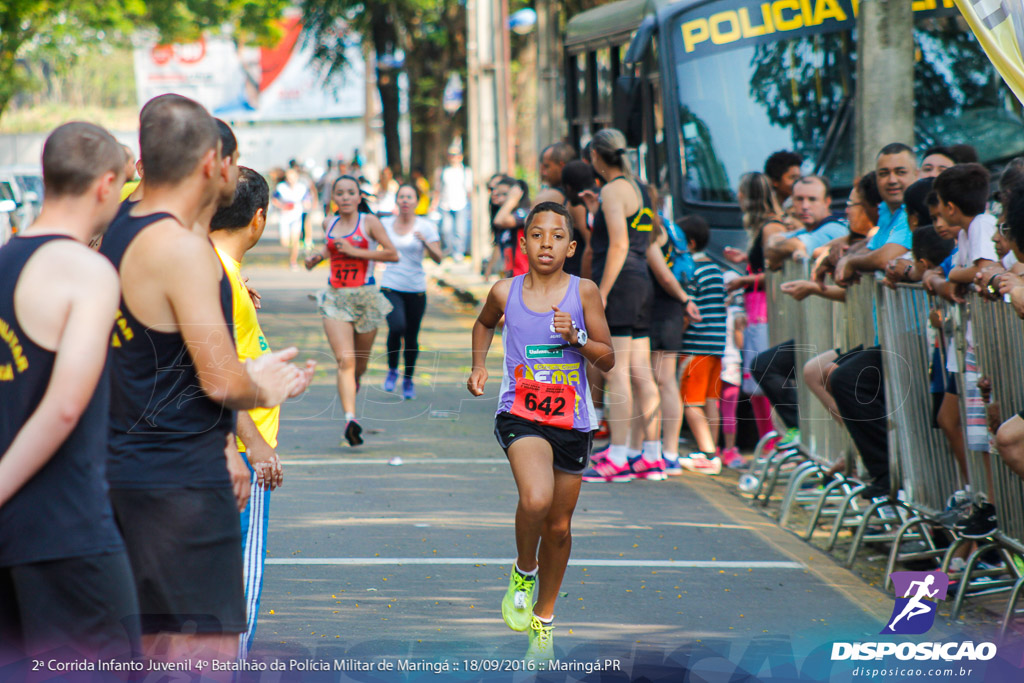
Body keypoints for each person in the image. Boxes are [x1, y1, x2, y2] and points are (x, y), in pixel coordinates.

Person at [99, 94, 312, 667]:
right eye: (232, 161)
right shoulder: (185, 251)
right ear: (209, 165)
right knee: (206, 652)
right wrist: (264, 386)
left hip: (130, 467)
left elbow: (170, 360)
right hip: (181, 483)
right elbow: (220, 381)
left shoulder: (121, 224)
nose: (234, 174)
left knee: (153, 645)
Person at [0, 122, 139, 667]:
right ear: (105, 184)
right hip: (65, 527)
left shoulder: (4, 259)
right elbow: (63, 407)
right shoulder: (87, 270)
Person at [467, 201, 613, 664]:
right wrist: (479, 366)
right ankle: (523, 573)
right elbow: (484, 324)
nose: (545, 242)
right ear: (523, 241)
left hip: (571, 420)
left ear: (570, 247)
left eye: (555, 236)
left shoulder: (584, 292)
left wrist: (578, 339)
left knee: (559, 526)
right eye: (536, 234)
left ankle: (543, 620)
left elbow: (607, 358)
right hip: (521, 413)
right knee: (535, 498)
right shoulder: (503, 291)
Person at [209, 166, 293, 658]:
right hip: (238, 451)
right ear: (258, 219)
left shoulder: (216, 271)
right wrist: (255, 446)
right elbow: (218, 374)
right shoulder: (220, 279)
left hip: (220, 449)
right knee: (239, 583)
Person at [578, 128, 660, 483]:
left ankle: (620, 455)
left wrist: (602, 292)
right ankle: (651, 455)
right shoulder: (637, 187)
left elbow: (618, 245)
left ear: (596, 156)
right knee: (640, 371)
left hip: (622, 285)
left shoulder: (612, 189)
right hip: (641, 282)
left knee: (616, 371)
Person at [933, 163, 1000, 538]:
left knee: (991, 432)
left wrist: (949, 277)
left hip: (988, 341)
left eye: (940, 207)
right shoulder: (967, 231)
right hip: (974, 340)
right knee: (979, 433)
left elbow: (980, 271)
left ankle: (993, 508)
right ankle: (985, 504)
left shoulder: (979, 227)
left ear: (950, 206)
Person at [306, 175, 398, 447]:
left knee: (359, 365)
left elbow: (392, 254)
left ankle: (352, 390)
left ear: (359, 197)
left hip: (366, 297)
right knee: (345, 360)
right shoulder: (328, 223)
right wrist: (316, 258)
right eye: (340, 193)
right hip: (335, 297)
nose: (345, 197)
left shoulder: (369, 223)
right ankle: (350, 420)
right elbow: (330, 247)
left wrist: (358, 253)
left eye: (350, 193)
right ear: (333, 198)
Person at [725, 172, 786, 443]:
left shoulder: (772, 227)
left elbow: (778, 272)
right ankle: (770, 445)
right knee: (755, 385)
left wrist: (744, 279)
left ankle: (775, 445)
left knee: (763, 382)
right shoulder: (764, 227)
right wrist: (746, 260)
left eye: (741, 192)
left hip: (766, 312)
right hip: (756, 311)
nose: (737, 197)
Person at [380, 184, 443, 398]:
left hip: (415, 289)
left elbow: (439, 257)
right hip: (390, 286)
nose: (405, 200)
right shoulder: (385, 224)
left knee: (412, 335)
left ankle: (408, 379)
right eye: (402, 197)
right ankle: (391, 370)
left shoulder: (425, 226)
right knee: (397, 327)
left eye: (410, 197)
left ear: (416, 201)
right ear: (396, 201)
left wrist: (425, 242)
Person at [676, 217, 729, 475]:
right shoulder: (716, 269)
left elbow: (690, 310)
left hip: (696, 346)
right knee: (710, 401)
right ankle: (712, 451)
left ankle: (707, 455)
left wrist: (676, 335)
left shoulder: (691, 270)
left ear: (689, 243)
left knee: (691, 403)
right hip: (716, 346)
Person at [764, 175, 847, 268]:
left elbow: (798, 245)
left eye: (812, 199)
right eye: (799, 199)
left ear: (827, 201)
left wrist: (793, 246)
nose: (805, 206)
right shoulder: (809, 229)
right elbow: (770, 244)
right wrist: (792, 246)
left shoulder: (834, 229)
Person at [435, 148, 472, 259]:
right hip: (445, 204)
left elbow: (469, 190)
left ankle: (458, 252)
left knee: (460, 230)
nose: (453, 158)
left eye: (455, 155)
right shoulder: (443, 171)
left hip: (461, 203)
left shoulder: (466, 171)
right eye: (451, 155)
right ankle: (449, 250)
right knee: (446, 229)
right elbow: (438, 189)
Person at [273, 167, 311, 269]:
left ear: (297, 177)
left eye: (293, 177)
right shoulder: (281, 187)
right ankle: (291, 255)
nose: (291, 180)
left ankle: (293, 261)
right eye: (289, 177)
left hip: (296, 216)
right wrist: (282, 206)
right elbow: (274, 199)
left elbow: (307, 199)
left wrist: (307, 204)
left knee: (295, 240)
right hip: (284, 217)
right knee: (285, 242)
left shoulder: (302, 188)